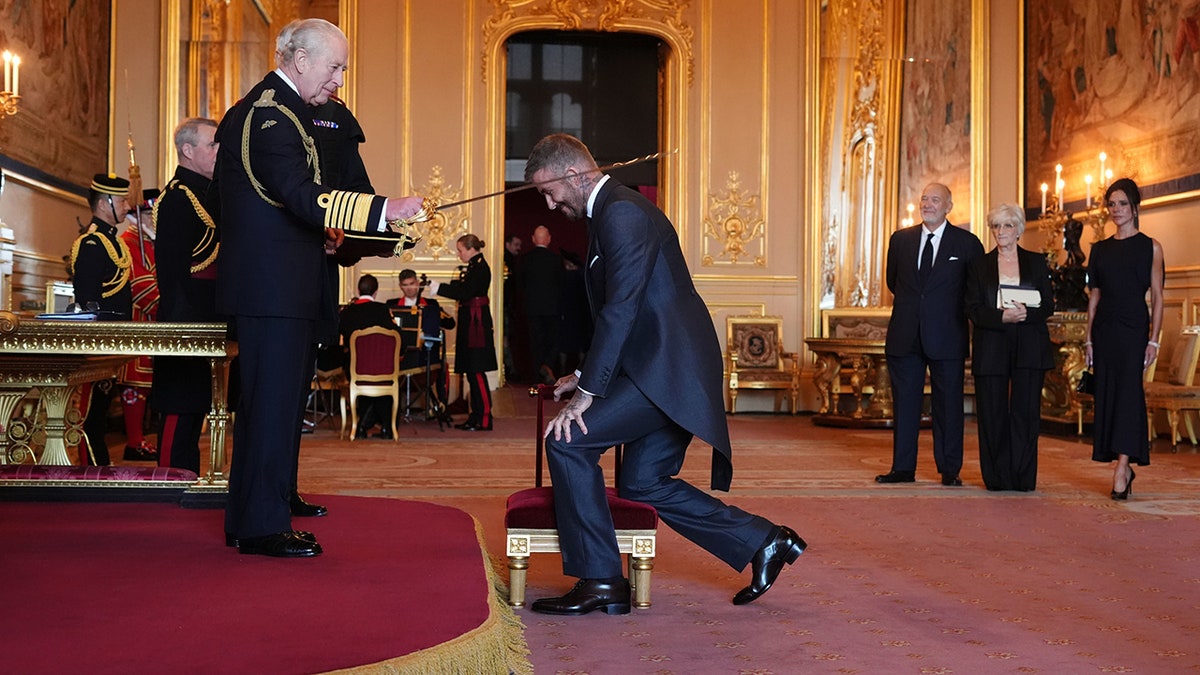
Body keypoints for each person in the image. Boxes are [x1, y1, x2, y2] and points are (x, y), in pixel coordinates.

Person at [524, 133, 804, 615]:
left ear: (573, 174)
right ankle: (765, 541)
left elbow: (623, 309)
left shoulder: (623, 212)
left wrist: (589, 392)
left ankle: (601, 580)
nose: (548, 205)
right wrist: (584, 372)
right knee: (642, 482)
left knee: (567, 442)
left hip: (666, 373)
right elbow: (625, 311)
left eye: (549, 192)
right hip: (661, 366)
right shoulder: (610, 212)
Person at [213, 18, 426, 557]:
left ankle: (256, 514)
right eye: (334, 67)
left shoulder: (287, 113)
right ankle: (261, 527)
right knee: (270, 406)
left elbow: (309, 202)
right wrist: (386, 208)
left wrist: (385, 232)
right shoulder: (268, 115)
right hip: (272, 291)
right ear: (300, 59)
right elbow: (301, 194)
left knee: (278, 406)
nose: (338, 80)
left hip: (286, 289)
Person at [877, 183, 984, 487]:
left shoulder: (967, 244)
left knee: (949, 406)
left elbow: (972, 289)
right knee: (905, 404)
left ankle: (950, 470)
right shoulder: (901, 240)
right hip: (905, 335)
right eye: (925, 199)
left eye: (935, 200)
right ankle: (902, 468)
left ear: (949, 206)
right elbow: (894, 282)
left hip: (948, 335)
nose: (928, 204)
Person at [964, 203, 1055, 491]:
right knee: (992, 413)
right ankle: (997, 477)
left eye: (1006, 226)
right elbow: (973, 308)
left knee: (1026, 413)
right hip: (992, 343)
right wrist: (1001, 316)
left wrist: (1027, 314)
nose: (1000, 232)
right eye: (995, 226)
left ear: (1018, 229)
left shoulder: (1036, 262)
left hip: (1029, 344)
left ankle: (1023, 477)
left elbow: (1048, 304)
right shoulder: (979, 265)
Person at [1086, 177, 1165, 500]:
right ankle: (1121, 464)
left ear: (1134, 207)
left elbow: (1158, 297)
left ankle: (1122, 466)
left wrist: (1154, 340)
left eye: (1121, 204)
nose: (1116, 210)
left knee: (1130, 394)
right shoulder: (1099, 250)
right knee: (1108, 394)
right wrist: (1089, 340)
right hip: (1104, 330)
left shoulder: (1151, 247)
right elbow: (1094, 297)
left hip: (1134, 330)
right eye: (1111, 204)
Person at [152, 117, 220, 475]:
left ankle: (189, 480)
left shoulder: (210, 194)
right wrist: (180, 330)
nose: (218, 151)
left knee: (199, 409)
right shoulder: (179, 197)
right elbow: (171, 270)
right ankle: (169, 483)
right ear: (188, 151)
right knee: (181, 408)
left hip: (211, 319)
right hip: (186, 322)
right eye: (212, 144)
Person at [69, 173, 134, 466]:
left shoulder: (113, 243)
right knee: (90, 415)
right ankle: (90, 470)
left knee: (101, 412)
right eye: (121, 200)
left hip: (113, 343)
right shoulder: (92, 244)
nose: (127, 206)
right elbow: (87, 301)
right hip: (97, 345)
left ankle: (100, 467)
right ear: (104, 203)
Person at [429, 234, 498, 431]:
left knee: (476, 369)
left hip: (476, 323)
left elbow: (465, 292)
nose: (458, 254)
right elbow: (462, 288)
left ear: (470, 249)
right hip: (471, 321)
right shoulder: (474, 266)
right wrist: (439, 286)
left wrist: (439, 288)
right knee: (471, 369)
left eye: (460, 250)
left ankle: (484, 417)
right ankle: (475, 415)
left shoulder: (480, 267)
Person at [116, 189, 161, 462]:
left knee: (145, 383)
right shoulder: (129, 241)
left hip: (152, 323)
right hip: (137, 319)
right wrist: (163, 306)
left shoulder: (150, 241)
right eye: (150, 215)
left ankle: (139, 439)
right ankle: (134, 441)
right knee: (135, 381)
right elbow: (139, 283)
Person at [339, 273, 403, 439]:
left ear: (358, 290)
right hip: (384, 370)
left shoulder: (347, 312)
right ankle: (386, 428)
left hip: (355, 369)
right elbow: (398, 336)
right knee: (383, 383)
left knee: (367, 379)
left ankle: (362, 426)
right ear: (376, 291)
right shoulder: (383, 310)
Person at [518, 225, 564, 384]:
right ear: (549, 239)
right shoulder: (556, 259)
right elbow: (561, 285)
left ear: (533, 239)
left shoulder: (524, 259)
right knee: (552, 340)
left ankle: (538, 374)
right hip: (552, 308)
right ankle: (548, 366)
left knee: (535, 341)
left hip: (532, 308)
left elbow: (520, 285)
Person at [502, 233, 523, 381]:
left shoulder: (512, 260)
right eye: (516, 245)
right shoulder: (505, 260)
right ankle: (509, 370)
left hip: (508, 306)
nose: (519, 248)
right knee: (504, 338)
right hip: (504, 306)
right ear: (507, 244)